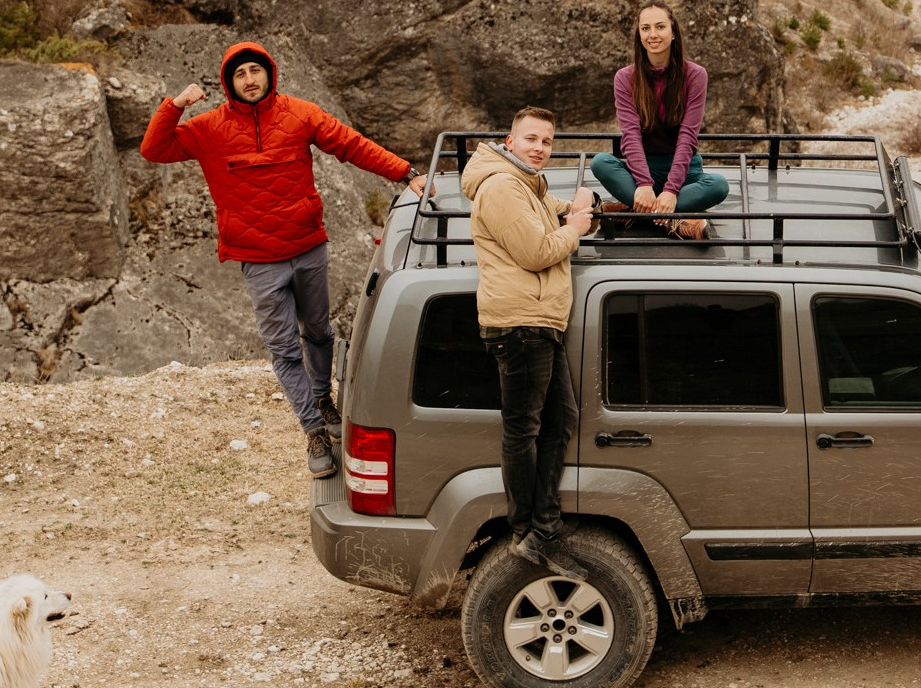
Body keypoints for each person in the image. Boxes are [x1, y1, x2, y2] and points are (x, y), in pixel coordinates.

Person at [141, 42, 422, 479]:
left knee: (320, 331)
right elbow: (154, 150)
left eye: (256, 70)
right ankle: (313, 430)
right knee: (284, 349)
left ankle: (324, 399)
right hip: (258, 260)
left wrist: (404, 172)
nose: (250, 79)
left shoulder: (300, 114)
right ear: (228, 83)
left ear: (269, 74)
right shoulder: (208, 128)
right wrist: (174, 105)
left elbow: (351, 145)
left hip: (308, 246)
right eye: (240, 74)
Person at [460, 107, 594, 576]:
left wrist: (583, 203)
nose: (540, 148)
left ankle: (543, 527)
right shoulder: (500, 187)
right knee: (524, 429)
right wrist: (575, 229)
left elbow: (553, 215)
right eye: (531, 138)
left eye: (547, 142)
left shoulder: (526, 186)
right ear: (508, 140)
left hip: (538, 321)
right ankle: (526, 532)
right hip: (518, 324)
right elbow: (537, 251)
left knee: (561, 420)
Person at [589, 3, 729, 240]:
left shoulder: (695, 75)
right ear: (639, 35)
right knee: (600, 162)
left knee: (719, 185)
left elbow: (688, 136)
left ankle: (633, 211)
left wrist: (672, 190)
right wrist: (643, 183)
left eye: (660, 27)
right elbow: (630, 134)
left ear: (673, 33)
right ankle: (675, 221)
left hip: (685, 172)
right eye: (645, 28)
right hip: (642, 169)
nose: (652, 34)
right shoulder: (625, 78)